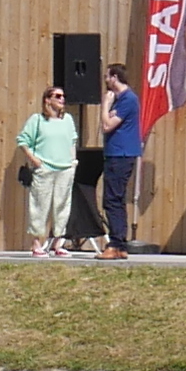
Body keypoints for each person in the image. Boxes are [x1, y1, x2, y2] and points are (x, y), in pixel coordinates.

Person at [13, 86, 77, 257]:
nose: (62, 99)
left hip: (65, 169)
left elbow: (72, 141)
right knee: (40, 205)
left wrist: (73, 162)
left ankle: (58, 242)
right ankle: (36, 243)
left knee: (62, 206)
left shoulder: (68, 120)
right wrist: (34, 160)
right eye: (57, 96)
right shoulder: (37, 120)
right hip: (45, 169)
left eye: (63, 96)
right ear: (47, 100)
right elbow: (23, 140)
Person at [98, 80, 144, 259]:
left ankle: (115, 243)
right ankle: (120, 245)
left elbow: (107, 125)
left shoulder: (127, 99)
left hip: (121, 154)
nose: (106, 80)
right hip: (116, 154)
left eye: (107, 76)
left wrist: (105, 105)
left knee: (112, 200)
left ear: (115, 77)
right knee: (116, 199)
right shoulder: (123, 99)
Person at [68, 80, 114, 255]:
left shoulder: (67, 121)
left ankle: (111, 242)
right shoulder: (39, 120)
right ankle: (55, 242)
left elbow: (106, 125)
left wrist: (105, 106)